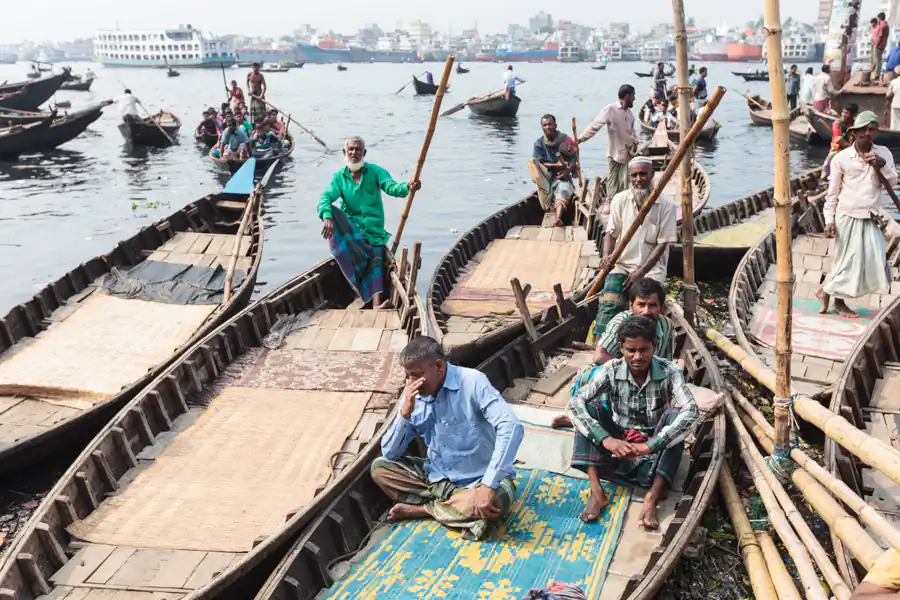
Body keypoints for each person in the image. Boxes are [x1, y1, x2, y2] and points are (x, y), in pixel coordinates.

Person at [371, 336, 524, 540]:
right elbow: (390, 453)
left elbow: (511, 427)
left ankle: (423, 510)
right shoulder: (414, 393)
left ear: (439, 367)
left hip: (478, 480)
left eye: (417, 375)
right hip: (438, 479)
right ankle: (455, 511)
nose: (411, 382)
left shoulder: (472, 382)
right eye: (407, 376)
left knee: (494, 502)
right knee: (380, 469)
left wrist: (488, 486)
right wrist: (404, 415)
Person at [566, 316, 699, 528]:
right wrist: (607, 440)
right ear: (621, 348)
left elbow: (692, 410)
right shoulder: (610, 369)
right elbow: (575, 403)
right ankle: (597, 491)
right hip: (619, 439)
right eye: (630, 350)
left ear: (654, 346)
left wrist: (649, 445)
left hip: (651, 441)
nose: (637, 356)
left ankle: (651, 497)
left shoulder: (669, 371)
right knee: (588, 409)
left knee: (676, 419)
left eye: (644, 349)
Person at [318, 136, 421, 309]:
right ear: (345, 153)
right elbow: (325, 197)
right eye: (350, 149)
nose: (354, 153)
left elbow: (391, 187)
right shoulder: (339, 177)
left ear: (364, 153)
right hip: (353, 232)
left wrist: (408, 187)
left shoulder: (375, 172)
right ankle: (351, 289)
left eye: (358, 149)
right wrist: (327, 216)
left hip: (373, 232)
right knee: (332, 212)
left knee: (376, 255)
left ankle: (376, 304)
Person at [817, 111, 897, 319]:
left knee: (873, 260)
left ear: (876, 132)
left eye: (871, 129)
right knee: (848, 262)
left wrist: (882, 165)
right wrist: (829, 220)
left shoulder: (884, 154)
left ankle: (825, 291)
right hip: (847, 215)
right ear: (854, 132)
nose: (866, 134)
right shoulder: (842, 159)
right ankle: (839, 302)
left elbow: (893, 182)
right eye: (862, 129)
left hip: (870, 215)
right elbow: (832, 194)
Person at [593, 156, 677, 339]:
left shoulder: (667, 205)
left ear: (652, 175)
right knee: (609, 304)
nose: (638, 179)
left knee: (645, 310)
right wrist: (606, 256)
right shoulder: (619, 200)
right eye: (634, 175)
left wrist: (640, 272)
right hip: (622, 265)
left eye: (643, 175)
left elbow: (662, 245)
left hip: (651, 269)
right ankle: (600, 343)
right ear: (630, 177)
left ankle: (644, 344)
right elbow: (611, 234)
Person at [578, 84, 639, 205]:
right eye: (633, 95)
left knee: (625, 182)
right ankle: (612, 205)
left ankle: (623, 205)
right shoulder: (610, 109)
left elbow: (633, 134)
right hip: (614, 153)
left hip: (628, 153)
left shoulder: (630, 115)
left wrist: (637, 143)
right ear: (627, 96)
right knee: (613, 183)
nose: (634, 98)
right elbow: (595, 125)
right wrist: (581, 138)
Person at [530, 114, 579, 227]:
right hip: (546, 176)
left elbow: (574, 160)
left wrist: (566, 172)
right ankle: (542, 190)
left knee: (563, 191)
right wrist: (556, 165)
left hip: (562, 176)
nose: (548, 127)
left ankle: (558, 219)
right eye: (545, 125)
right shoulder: (538, 144)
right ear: (542, 127)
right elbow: (539, 163)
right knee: (532, 164)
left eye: (550, 124)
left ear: (555, 125)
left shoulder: (565, 140)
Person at [823, 103, 860, 177]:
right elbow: (838, 139)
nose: (843, 115)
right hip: (837, 149)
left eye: (846, 113)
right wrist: (850, 148)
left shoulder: (856, 125)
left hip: (852, 149)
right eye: (843, 112)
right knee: (828, 160)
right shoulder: (837, 123)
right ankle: (823, 175)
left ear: (853, 115)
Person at [872, 13, 890, 81]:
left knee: (878, 60)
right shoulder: (886, 24)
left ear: (879, 18)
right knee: (878, 60)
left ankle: (877, 75)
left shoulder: (882, 25)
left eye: (878, 18)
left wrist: (876, 44)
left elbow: (880, 36)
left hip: (879, 45)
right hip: (883, 44)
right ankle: (877, 74)